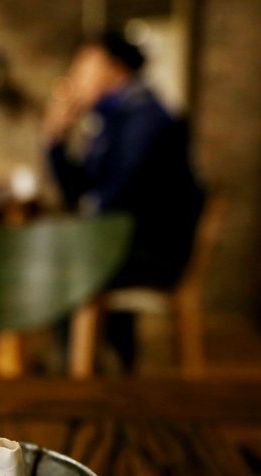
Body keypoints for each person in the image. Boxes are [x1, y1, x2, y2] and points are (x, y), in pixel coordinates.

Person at [45, 31, 205, 370]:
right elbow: (78, 192)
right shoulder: (111, 119)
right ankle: (108, 362)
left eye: (83, 67)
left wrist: (85, 213)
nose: (74, 78)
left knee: (58, 261)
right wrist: (56, 136)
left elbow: (118, 194)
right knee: (68, 250)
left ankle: (79, 372)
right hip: (123, 241)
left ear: (114, 69)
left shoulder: (146, 117)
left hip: (156, 253)